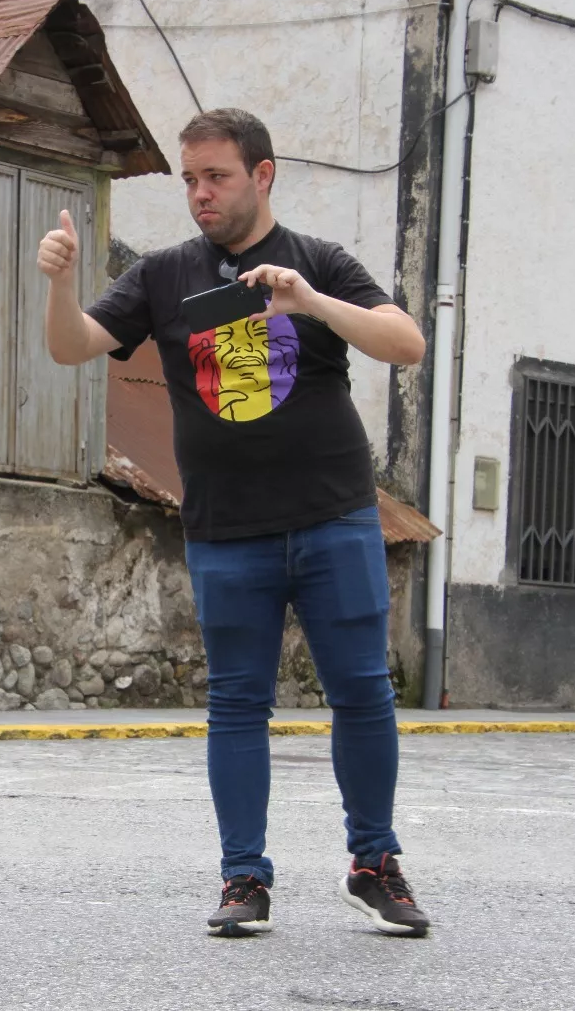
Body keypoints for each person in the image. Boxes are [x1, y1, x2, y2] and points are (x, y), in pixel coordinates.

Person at [37, 109, 431, 938]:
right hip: (226, 529)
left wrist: (310, 303)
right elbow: (71, 347)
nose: (199, 194)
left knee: (363, 691)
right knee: (237, 704)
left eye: (215, 176)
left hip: (333, 517)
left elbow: (406, 344)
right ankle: (244, 877)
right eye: (189, 179)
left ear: (262, 174)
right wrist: (60, 283)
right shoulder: (163, 275)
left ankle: (374, 862)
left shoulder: (318, 260)